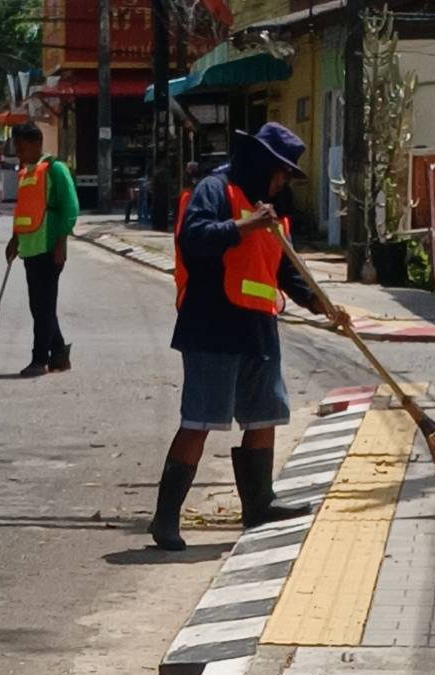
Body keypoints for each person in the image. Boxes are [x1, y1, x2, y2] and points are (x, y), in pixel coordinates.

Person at [149, 123, 351, 551]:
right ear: (263, 164)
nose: (283, 182)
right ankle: (165, 518)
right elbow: (195, 238)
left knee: (264, 416)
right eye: (281, 173)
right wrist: (246, 224)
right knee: (201, 419)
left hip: (258, 327)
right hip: (212, 325)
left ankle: (259, 504)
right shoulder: (215, 190)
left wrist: (324, 305)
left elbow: (287, 272)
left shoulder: (274, 212)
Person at [4, 122, 79, 377]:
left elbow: (70, 207)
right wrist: (14, 239)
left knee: (43, 306)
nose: (19, 153)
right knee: (39, 306)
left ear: (37, 143)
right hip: (30, 248)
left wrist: (60, 243)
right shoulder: (26, 173)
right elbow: (23, 210)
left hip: (50, 248)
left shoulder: (56, 169)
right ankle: (58, 354)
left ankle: (39, 359)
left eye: (22, 148)